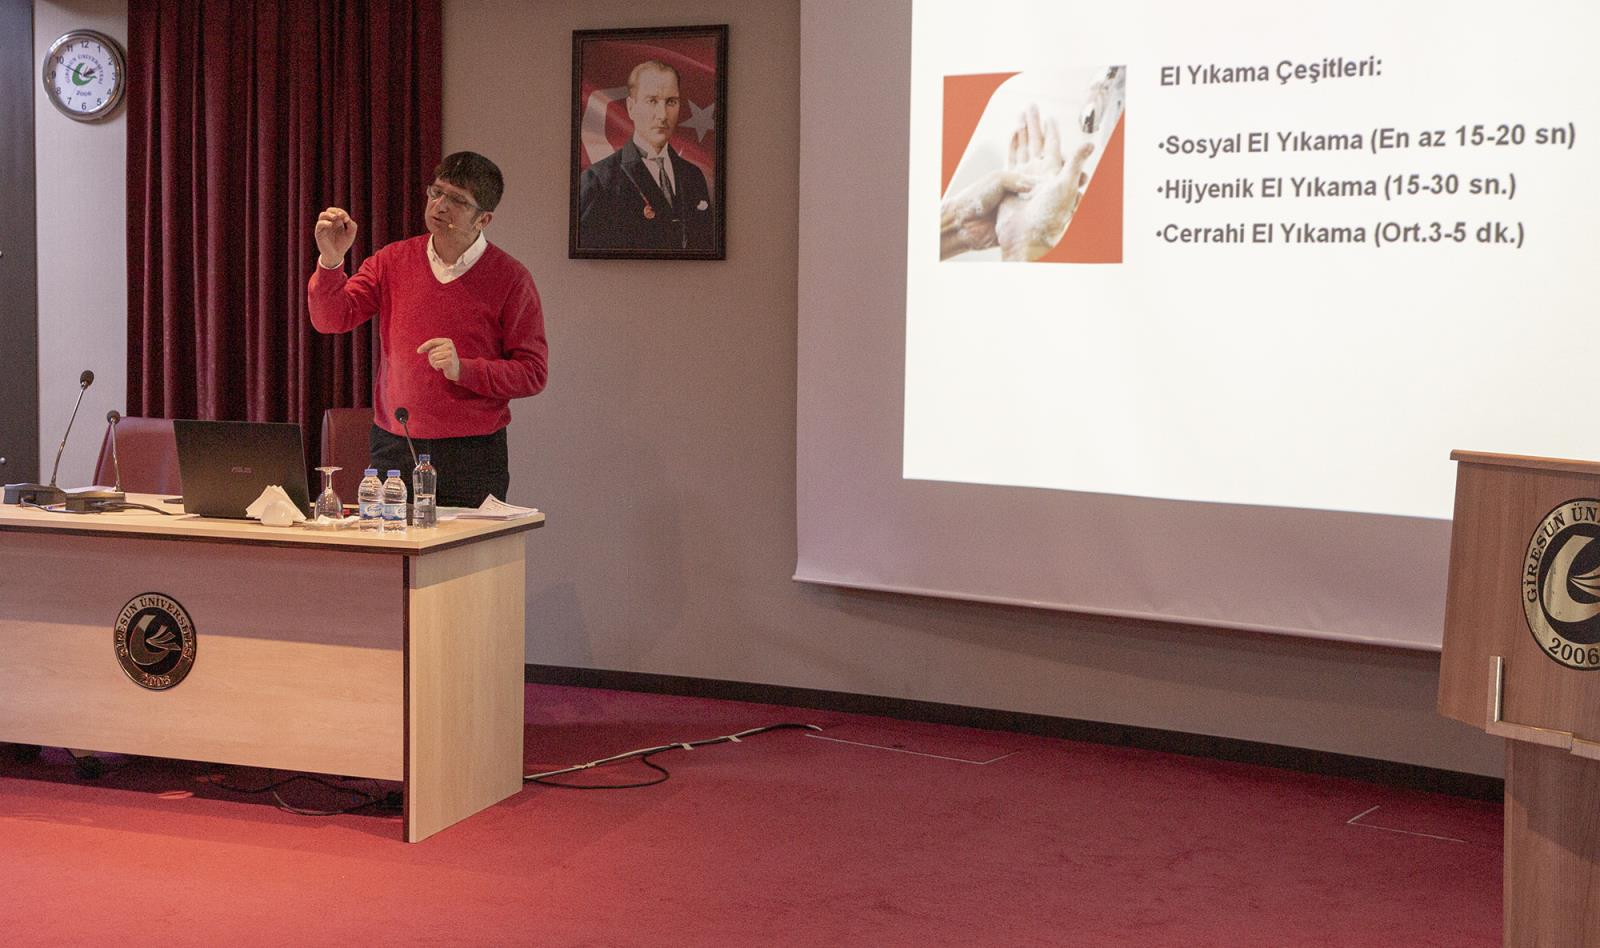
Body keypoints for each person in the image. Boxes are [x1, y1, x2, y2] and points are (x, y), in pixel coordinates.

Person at [308, 151, 548, 508]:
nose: (440, 206)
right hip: (395, 445)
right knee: (392, 543)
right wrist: (331, 261)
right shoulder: (392, 260)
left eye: (458, 201)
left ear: (484, 219)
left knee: (471, 546)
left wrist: (463, 369)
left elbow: (533, 373)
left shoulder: (511, 278)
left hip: (473, 454)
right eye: (436, 192)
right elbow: (331, 319)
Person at [578, 60, 714, 251]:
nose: (663, 115)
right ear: (631, 107)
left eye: (671, 102)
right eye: (652, 101)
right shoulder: (598, 180)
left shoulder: (693, 175)